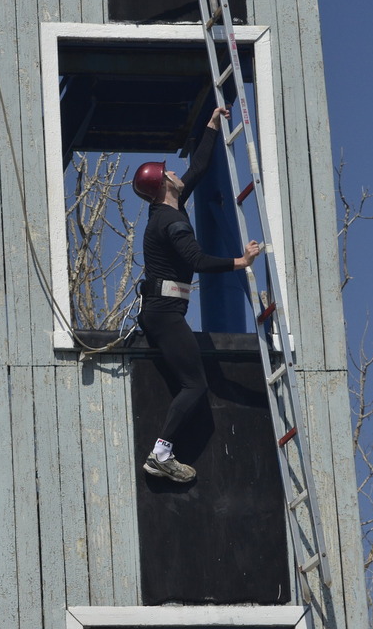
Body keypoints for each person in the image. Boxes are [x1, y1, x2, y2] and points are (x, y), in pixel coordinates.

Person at [132, 106, 260, 483]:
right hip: (164, 314)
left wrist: (212, 124)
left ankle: (164, 451)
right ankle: (161, 453)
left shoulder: (169, 208)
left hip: (165, 310)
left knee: (191, 381)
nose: (175, 172)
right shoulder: (171, 223)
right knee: (195, 384)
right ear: (163, 185)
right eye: (169, 173)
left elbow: (200, 168)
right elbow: (198, 260)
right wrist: (242, 261)